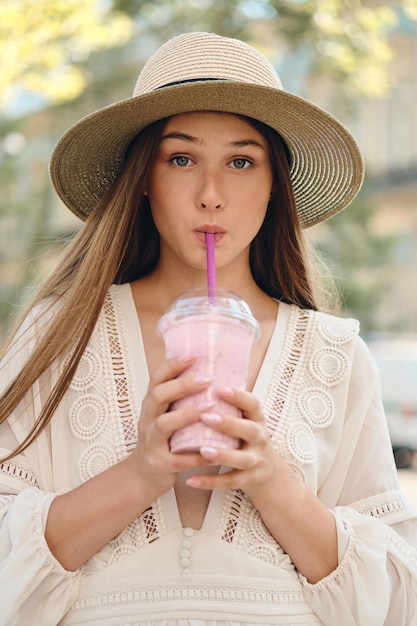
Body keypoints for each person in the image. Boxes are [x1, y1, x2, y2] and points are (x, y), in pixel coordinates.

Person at [0, 31, 416, 626]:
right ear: (144, 177)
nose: (212, 195)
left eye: (242, 162)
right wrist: (140, 473)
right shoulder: (58, 338)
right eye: (182, 158)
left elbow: (394, 602)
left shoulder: (337, 355)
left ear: (276, 186)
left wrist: (273, 481)